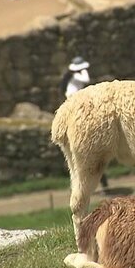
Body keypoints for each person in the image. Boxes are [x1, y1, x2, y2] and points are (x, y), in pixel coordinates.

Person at [59, 56, 109, 188]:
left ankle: (98, 182)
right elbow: (86, 79)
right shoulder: (77, 75)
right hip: (76, 106)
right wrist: (84, 70)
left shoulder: (72, 76)